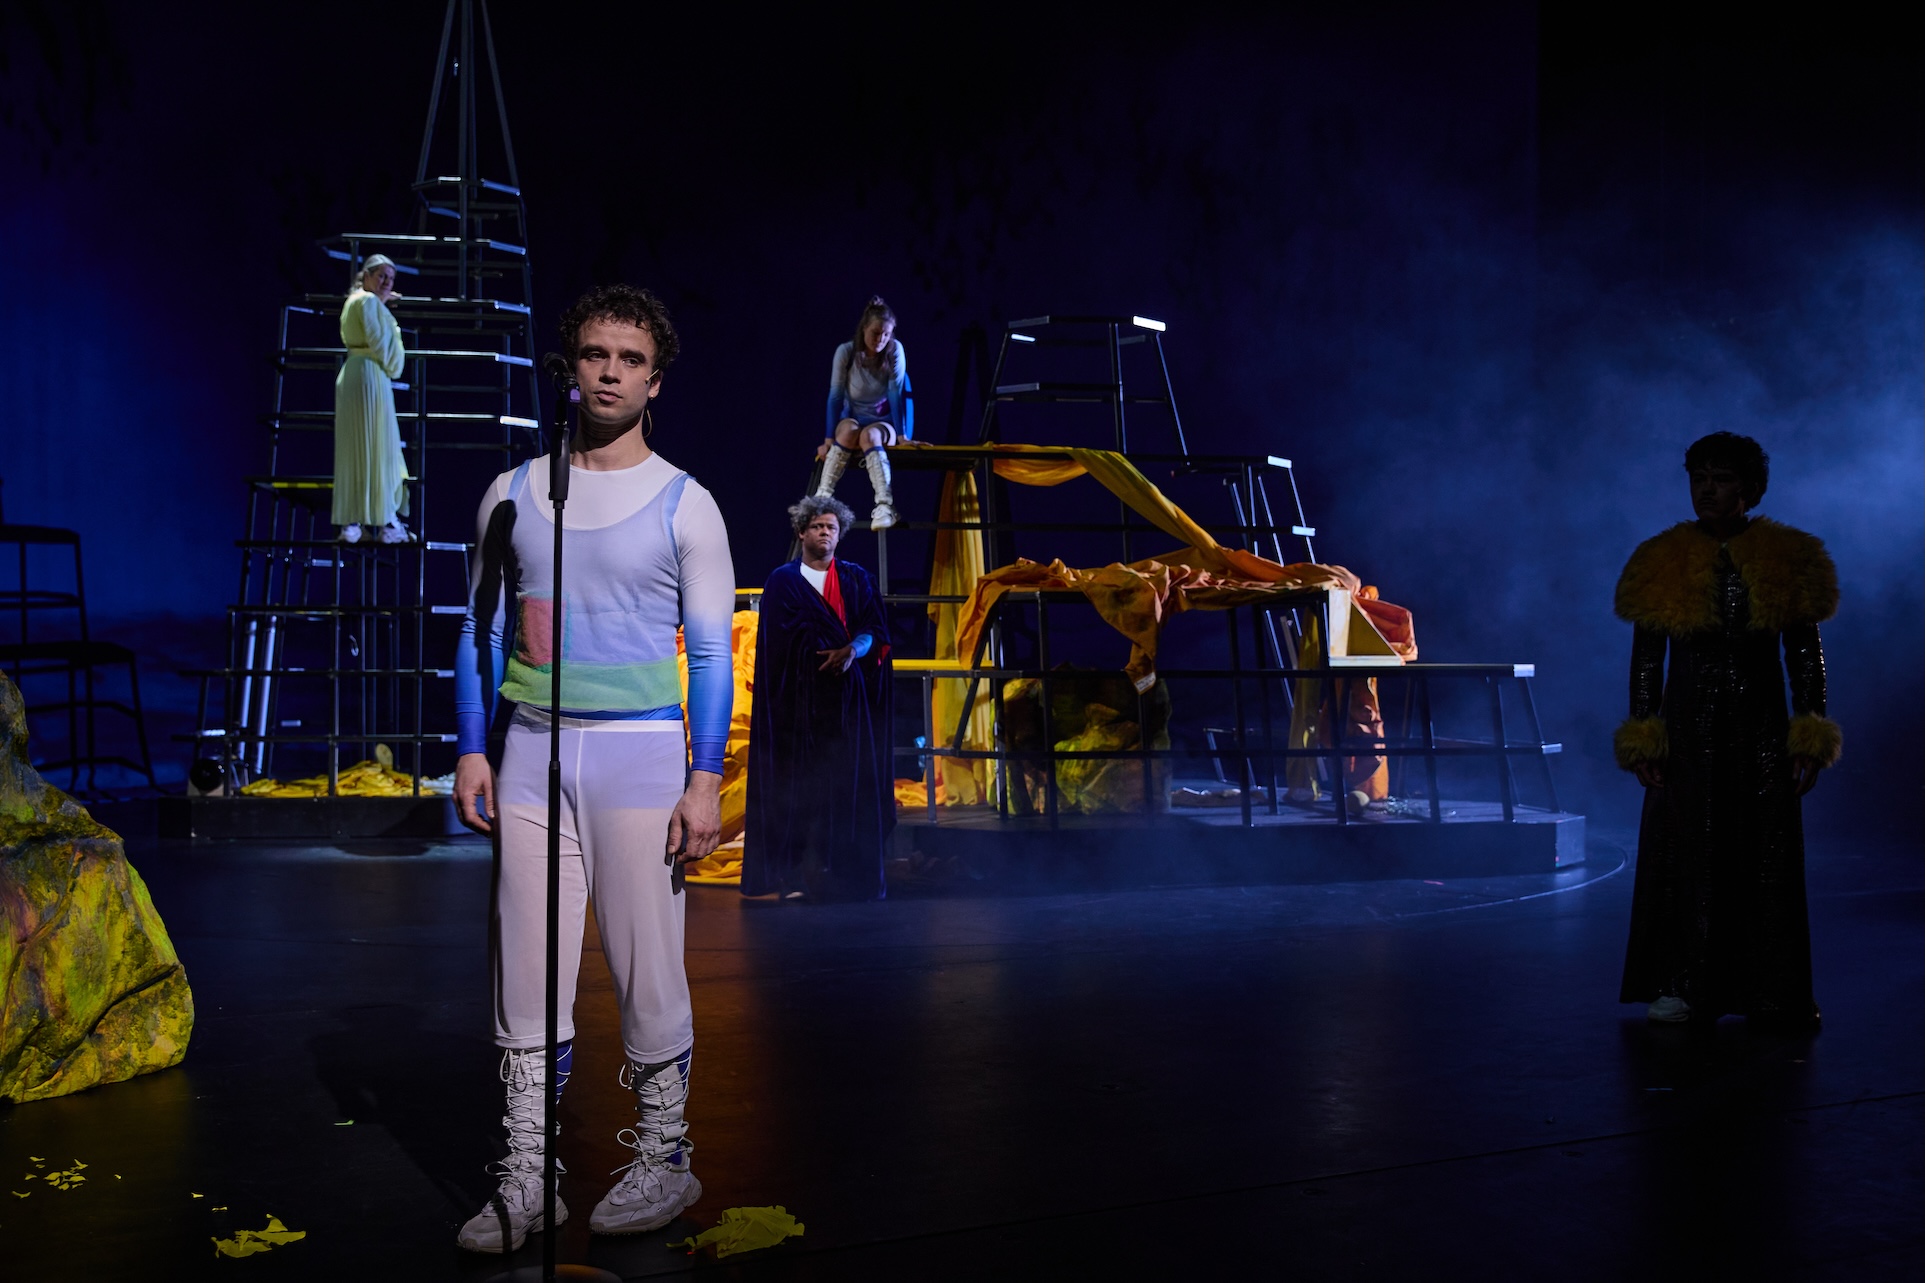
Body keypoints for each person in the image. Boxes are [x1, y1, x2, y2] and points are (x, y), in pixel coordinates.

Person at [449, 284, 735, 1251]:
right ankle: (530, 1175)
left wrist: (705, 777)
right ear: (569, 366)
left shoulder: (686, 504)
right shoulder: (512, 493)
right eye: (594, 354)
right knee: (524, 964)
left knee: (647, 960)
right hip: (531, 751)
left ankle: (664, 1154)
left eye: (631, 359)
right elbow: (480, 630)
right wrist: (472, 745)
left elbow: (710, 653)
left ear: (656, 380)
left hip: (639, 754)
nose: (610, 372)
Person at [1613, 431, 1840, 1029]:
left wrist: (1808, 734)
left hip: (1760, 729)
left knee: (1764, 856)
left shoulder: (1785, 556)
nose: (1707, 490)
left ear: (1749, 488)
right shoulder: (1662, 558)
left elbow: (1805, 655)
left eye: (1721, 479)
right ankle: (1684, 984)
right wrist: (1645, 733)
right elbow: (1647, 659)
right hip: (1688, 729)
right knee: (1685, 855)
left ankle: (1773, 990)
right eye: (1699, 478)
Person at [742, 494, 895, 901]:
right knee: (799, 790)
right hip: (798, 705)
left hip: (848, 703)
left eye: (831, 527)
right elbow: (775, 650)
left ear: (839, 534)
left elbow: (874, 632)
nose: (825, 532)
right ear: (801, 532)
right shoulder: (783, 581)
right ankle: (794, 877)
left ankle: (850, 877)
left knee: (848, 786)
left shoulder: (857, 579)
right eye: (817, 526)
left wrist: (852, 650)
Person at [816, 295, 913, 531]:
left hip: (883, 422)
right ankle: (822, 499)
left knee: (870, 436)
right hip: (853, 418)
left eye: (886, 334)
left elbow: (895, 394)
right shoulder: (846, 352)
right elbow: (835, 396)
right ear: (864, 329)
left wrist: (902, 436)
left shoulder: (895, 351)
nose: (880, 340)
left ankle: (885, 505)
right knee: (848, 432)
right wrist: (828, 440)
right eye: (875, 333)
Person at [333, 253, 411, 543]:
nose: (387, 282)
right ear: (366, 276)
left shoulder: (358, 301)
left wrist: (382, 306)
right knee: (378, 446)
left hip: (359, 372)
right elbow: (385, 350)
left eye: (391, 278)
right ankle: (384, 522)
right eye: (381, 276)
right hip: (370, 376)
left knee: (359, 446)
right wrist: (383, 309)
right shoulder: (367, 302)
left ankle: (356, 521)